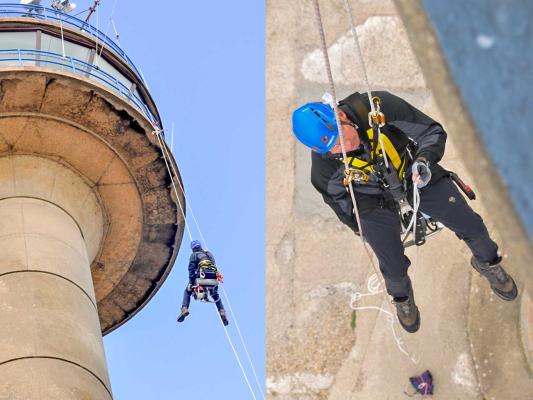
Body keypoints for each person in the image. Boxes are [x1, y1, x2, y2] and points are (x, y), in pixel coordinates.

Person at [292, 91, 517, 333]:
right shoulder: (323, 171)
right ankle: (403, 299)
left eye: (341, 135)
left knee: (471, 226)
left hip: (412, 171)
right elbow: (343, 206)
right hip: (371, 199)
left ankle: (487, 262)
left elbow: (432, 131)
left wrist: (425, 160)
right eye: (335, 148)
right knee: (392, 264)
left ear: (341, 115)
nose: (345, 146)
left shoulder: (376, 107)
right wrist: (363, 228)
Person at [177, 240, 229, 326]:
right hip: (213, 277)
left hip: (202, 275)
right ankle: (222, 311)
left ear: (193, 249)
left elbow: (191, 270)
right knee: (215, 294)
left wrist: (191, 283)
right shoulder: (209, 254)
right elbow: (214, 265)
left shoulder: (194, 255)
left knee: (187, 291)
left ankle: (184, 309)